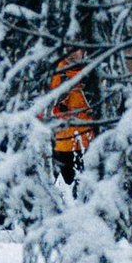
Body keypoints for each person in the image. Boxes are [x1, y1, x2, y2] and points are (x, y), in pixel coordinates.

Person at [46, 45, 96, 181]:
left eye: (75, 49)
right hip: (63, 146)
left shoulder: (93, 74)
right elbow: (45, 108)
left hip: (89, 144)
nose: (71, 54)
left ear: (83, 51)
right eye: (67, 50)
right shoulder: (57, 73)